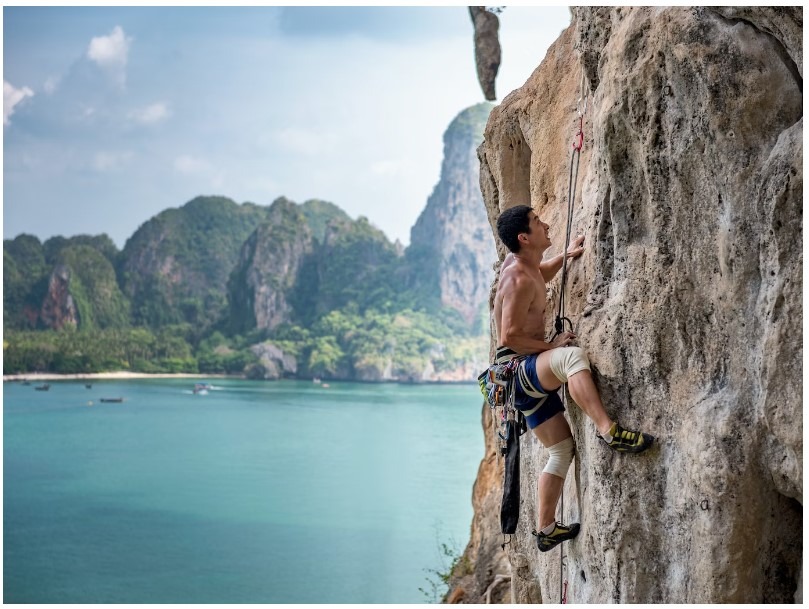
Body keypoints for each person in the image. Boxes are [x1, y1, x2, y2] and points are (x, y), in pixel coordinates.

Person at [493, 204, 654, 553]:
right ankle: (608, 430)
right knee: (571, 358)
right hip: (520, 371)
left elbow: (540, 275)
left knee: (561, 449)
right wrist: (549, 345)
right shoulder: (518, 278)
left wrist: (564, 257)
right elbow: (508, 336)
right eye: (537, 223)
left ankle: (546, 528)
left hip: (516, 381)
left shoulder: (522, 265)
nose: (546, 224)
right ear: (524, 237)